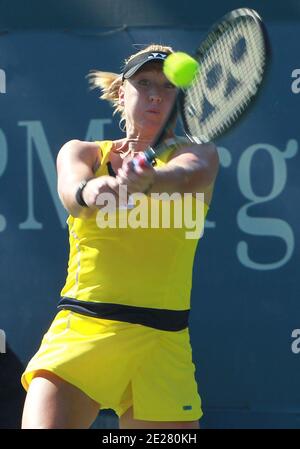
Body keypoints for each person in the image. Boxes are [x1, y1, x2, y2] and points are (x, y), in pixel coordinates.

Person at [21, 44, 219, 429]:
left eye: (168, 86)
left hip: (163, 342)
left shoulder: (201, 154)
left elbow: (186, 174)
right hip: (83, 329)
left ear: (181, 101)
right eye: (144, 83)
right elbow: (73, 192)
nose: (156, 95)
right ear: (120, 91)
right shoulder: (83, 152)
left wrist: (152, 179)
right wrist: (95, 191)